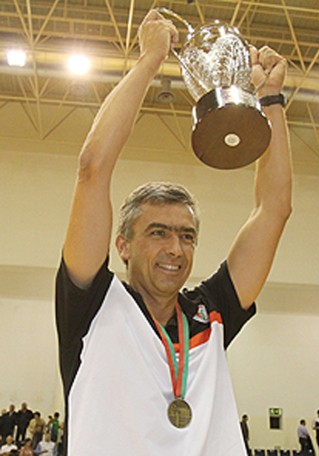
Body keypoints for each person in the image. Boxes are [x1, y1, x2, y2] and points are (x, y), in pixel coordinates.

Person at [55, 8, 292, 456]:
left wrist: (273, 100)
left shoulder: (211, 312)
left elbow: (274, 209)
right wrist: (149, 61)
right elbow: (92, 169)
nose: (175, 248)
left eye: (186, 236)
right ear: (122, 245)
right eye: (158, 232)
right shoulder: (92, 303)